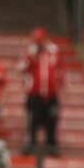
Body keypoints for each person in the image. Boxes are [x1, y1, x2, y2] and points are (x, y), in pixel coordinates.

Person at [20, 27, 62, 155]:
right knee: (33, 119)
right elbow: (21, 67)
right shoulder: (30, 51)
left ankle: (51, 146)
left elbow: (60, 69)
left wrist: (61, 85)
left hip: (51, 94)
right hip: (34, 94)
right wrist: (31, 57)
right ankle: (31, 145)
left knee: (52, 120)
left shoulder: (54, 51)